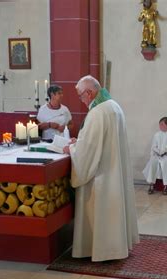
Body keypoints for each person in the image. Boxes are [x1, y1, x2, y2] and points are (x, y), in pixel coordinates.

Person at [62, 75, 139, 261]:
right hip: (113, 170)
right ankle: (115, 247)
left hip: (102, 177)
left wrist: (72, 148)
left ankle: (103, 250)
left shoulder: (97, 113)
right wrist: (79, 141)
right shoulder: (114, 106)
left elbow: (88, 151)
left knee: (102, 212)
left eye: (81, 95)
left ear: (89, 92)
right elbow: (97, 141)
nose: (81, 100)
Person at [142, 117, 167, 195]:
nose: (160, 126)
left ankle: (166, 185)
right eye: (159, 125)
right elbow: (153, 146)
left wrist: (166, 151)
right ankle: (151, 185)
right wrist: (158, 151)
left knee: (166, 163)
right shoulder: (157, 134)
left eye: (162, 124)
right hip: (157, 155)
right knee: (152, 162)